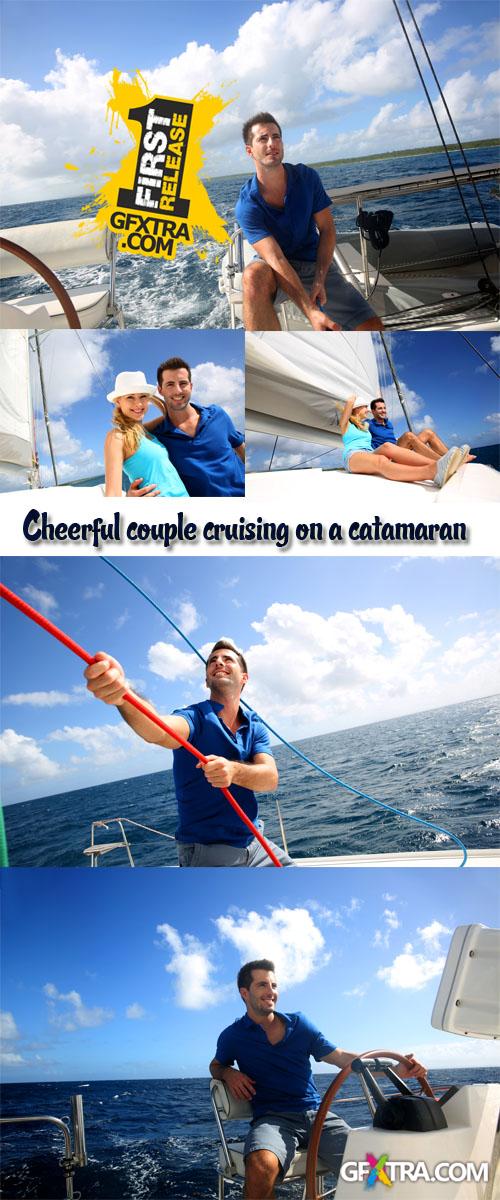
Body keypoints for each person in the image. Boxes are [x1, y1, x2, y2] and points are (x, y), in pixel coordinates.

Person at [210, 960, 427, 1199]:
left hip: (319, 1116)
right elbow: (216, 1065)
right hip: (273, 1120)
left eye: (274, 984)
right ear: (244, 992)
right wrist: (228, 1073)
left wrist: (397, 1069)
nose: (271, 991)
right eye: (262, 985)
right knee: (261, 1167)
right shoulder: (232, 1036)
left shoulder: (300, 1024)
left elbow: (341, 1057)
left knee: (373, 1173)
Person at [84, 639, 293, 867]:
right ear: (206, 679)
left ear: (244, 677)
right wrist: (124, 696)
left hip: (255, 843)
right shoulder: (195, 717)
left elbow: (270, 778)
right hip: (208, 852)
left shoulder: (255, 725)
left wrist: (233, 770)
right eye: (212, 661)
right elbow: (159, 730)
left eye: (227, 659)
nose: (218, 662)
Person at [235, 112, 383, 333]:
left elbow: (327, 229)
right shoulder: (247, 205)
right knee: (253, 276)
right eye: (263, 139)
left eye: (276, 137)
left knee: (373, 327)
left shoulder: (307, 178)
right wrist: (310, 310)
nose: (272, 143)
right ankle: (272, 354)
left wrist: (319, 279)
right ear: (250, 151)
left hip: (313, 264)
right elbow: (275, 258)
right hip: (274, 269)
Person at [127, 357, 245, 498]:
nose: (178, 391)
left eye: (183, 383)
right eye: (170, 384)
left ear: (191, 386)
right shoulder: (156, 437)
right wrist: (130, 498)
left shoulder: (217, 414)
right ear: (160, 389)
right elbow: (133, 442)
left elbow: (240, 447)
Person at [340, 395, 469, 486]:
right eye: (365, 407)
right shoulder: (346, 425)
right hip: (354, 455)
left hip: (370, 453)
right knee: (382, 459)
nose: (367, 410)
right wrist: (355, 399)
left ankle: (446, 462)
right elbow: (350, 402)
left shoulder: (364, 426)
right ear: (356, 408)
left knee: (388, 446)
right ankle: (433, 471)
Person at [104, 370, 189, 498]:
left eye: (142, 396)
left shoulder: (145, 432)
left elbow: (170, 415)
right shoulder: (117, 437)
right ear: (118, 402)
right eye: (130, 397)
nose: (138, 404)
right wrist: (129, 500)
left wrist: (150, 395)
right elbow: (112, 496)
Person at [368, 397, 474, 462]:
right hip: (390, 455)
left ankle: (455, 456)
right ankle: (443, 461)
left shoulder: (388, 423)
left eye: (384, 408)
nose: (383, 410)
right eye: (380, 408)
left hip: (399, 448)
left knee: (428, 432)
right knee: (408, 435)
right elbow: (352, 422)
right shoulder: (368, 424)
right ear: (373, 411)